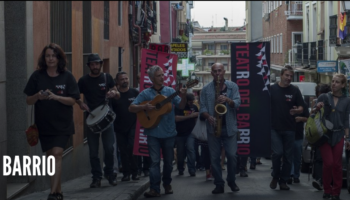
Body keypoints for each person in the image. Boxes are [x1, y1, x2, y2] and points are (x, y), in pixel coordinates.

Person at [24, 43, 80, 200]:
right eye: (48, 56)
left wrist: (56, 97)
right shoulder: (37, 76)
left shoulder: (67, 76)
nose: (50, 59)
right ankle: (59, 192)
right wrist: (38, 97)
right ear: (44, 58)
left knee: (57, 153)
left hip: (63, 124)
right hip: (44, 125)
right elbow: (28, 100)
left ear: (59, 58)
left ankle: (52, 193)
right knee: (51, 157)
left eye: (54, 56)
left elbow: (73, 100)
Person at [129, 65, 187, 197]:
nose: (162, 77)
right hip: (152, 132)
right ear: (152, 79)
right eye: (159, 76)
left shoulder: (170, 91)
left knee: (168, 162)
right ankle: (155, 188)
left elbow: (181, 106)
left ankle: (167, 184)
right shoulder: (145, 93)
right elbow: (131, 108)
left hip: (169, 132)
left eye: (162, 75)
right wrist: (144, 106)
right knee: (154, 162)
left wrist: (183, 96)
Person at [76, 53, 120, 188]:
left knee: (109, 148)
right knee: (93, 151)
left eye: (97, 64)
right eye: (92, 64)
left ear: (101, 64)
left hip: (106, 118)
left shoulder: (107, 77)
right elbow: (76, 96)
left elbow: (116, 93)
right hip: (91, 118)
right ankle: (96, 177)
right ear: (89, 66)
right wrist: (80, 104)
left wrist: (113, 93)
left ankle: (109, 173)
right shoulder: (83, 80)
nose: (95, 66)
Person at [200, 63, 241, 194]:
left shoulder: (233, 86)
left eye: (220, 70)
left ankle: (231, 180)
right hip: (213, 128)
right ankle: (219, 184)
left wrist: (228, 100)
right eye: (215, 71)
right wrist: (208, 116)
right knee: (214, 158)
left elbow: (238, 103)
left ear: (224, 71)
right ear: (211, 73)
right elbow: (202, 108)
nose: (218, 73)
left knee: (232, 155)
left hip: (230, 127)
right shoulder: (206, 89)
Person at [312, 74, 350, 200]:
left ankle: (336, 192)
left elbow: (346, 121)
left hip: (339, 134)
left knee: (337, 165)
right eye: (333, 81)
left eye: (337, 82)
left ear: (343, 85)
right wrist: (317, 108)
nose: (334, 84)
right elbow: (313, 113)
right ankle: (327, 189)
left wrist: (347, 138)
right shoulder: (324, 96)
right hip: (325, 134)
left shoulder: (346, 100)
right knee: (328, 163)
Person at [270, 65, 304, 191]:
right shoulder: (272, 89)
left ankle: (283, 181)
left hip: (290, 128)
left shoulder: (295, 90)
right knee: (278, 153)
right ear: (281, 75)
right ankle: (275, 176)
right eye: (287, 75)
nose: (289, 78)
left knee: (288, 157)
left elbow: (302, 107)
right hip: (274, 127)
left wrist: (297, 110)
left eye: (291, 76)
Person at [111, 71, 140, 181]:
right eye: (122, 79)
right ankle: (126, 173)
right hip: (119, 127)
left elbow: (140, 106)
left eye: (126, 78)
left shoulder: (134, 93)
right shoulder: (115, 96)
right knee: (122, 150)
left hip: (133, 125)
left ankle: (135, 172)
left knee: (132, 148)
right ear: (117, 82)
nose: (125, 81)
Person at [288, 86, 309, 184]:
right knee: (288, 156)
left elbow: (308, 119)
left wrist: (300, 119)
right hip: (287, 133)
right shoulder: (287, 103)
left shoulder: (303, 105)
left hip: (298, 135)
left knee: (297, 157)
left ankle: (296, 175)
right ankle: (289, 174)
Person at [311, 83, 331, 190]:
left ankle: (321, 180)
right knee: (320, 157)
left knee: (321, 158)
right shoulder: (318, 101)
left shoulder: (330, 99)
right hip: (323, 132)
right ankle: (320, 180)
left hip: (325, 132)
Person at [175, 93, 199, 176]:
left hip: (190, 133)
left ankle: (192, 169)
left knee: (191, 150)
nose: (191, 103)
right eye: (190, 102)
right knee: (180, 152)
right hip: (179, 133)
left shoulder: (194, 107)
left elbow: (196, 119)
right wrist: (190, 116)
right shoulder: (179, 107)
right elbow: (176, 118)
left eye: (192, 102)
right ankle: (180, 168)